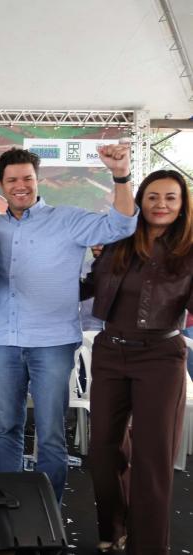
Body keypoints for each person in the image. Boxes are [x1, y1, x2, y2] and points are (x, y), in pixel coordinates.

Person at [0, 146, 137, 502]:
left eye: (27, 178)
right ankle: (8, 507)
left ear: (37, 181)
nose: (20, 186)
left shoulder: (68, 219)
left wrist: (121, 175)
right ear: (1, 184)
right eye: (12, 180)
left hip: (53, 344)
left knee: (51, 432)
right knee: (6, 428)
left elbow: (122, 224)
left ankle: (48, 510)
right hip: (5, 341)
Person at [81, 167, 193, 554]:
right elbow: (88, 286)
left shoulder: (190, 249)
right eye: (153, 197)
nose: (161, 204)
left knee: (153, 457)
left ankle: (149, 546)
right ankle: (114, 529)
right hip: (111, 352)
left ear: (182, 207)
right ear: (141, 201)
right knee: (103, 452)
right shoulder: (116, 242)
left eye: (170, 198)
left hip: (161, 357)